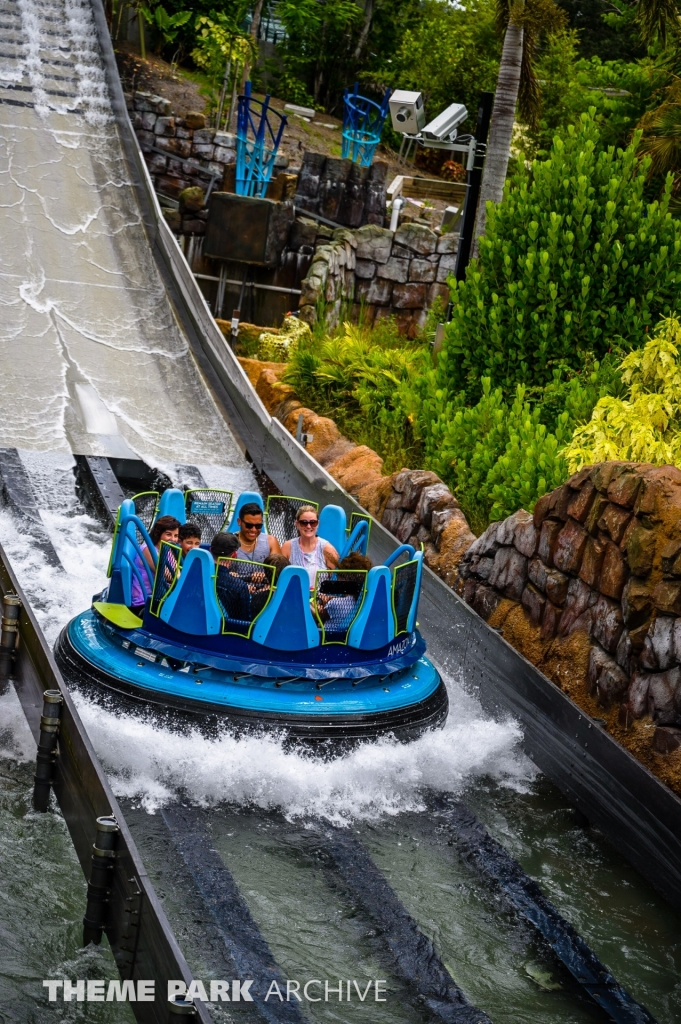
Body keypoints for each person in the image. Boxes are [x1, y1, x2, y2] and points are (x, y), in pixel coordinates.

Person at [130, 515, 181, 616]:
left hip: (160, 598)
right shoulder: (148, 549)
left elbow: (177, 573)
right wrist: (178, 576)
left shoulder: (167, 548)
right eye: (168, 534)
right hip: (143, 602)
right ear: (158, 534)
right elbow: (169, 575)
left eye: (176, 536)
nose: (173, 539)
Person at [281, 505, 339, 588]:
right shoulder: (287, 547)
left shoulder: (328, 549)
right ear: (297, 524)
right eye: (304, 522)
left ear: (318, 524)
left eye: (313, 522)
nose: (308, 526)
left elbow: (336, 580)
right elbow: (279, 577)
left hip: (318, 598)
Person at [318, 552, 372, 629]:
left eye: (338, 575)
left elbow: (320, 615)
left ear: (344, 579)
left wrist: (314, 605)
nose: (336, 579)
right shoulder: (362, 601)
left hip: (329, 636)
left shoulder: (335, 604)